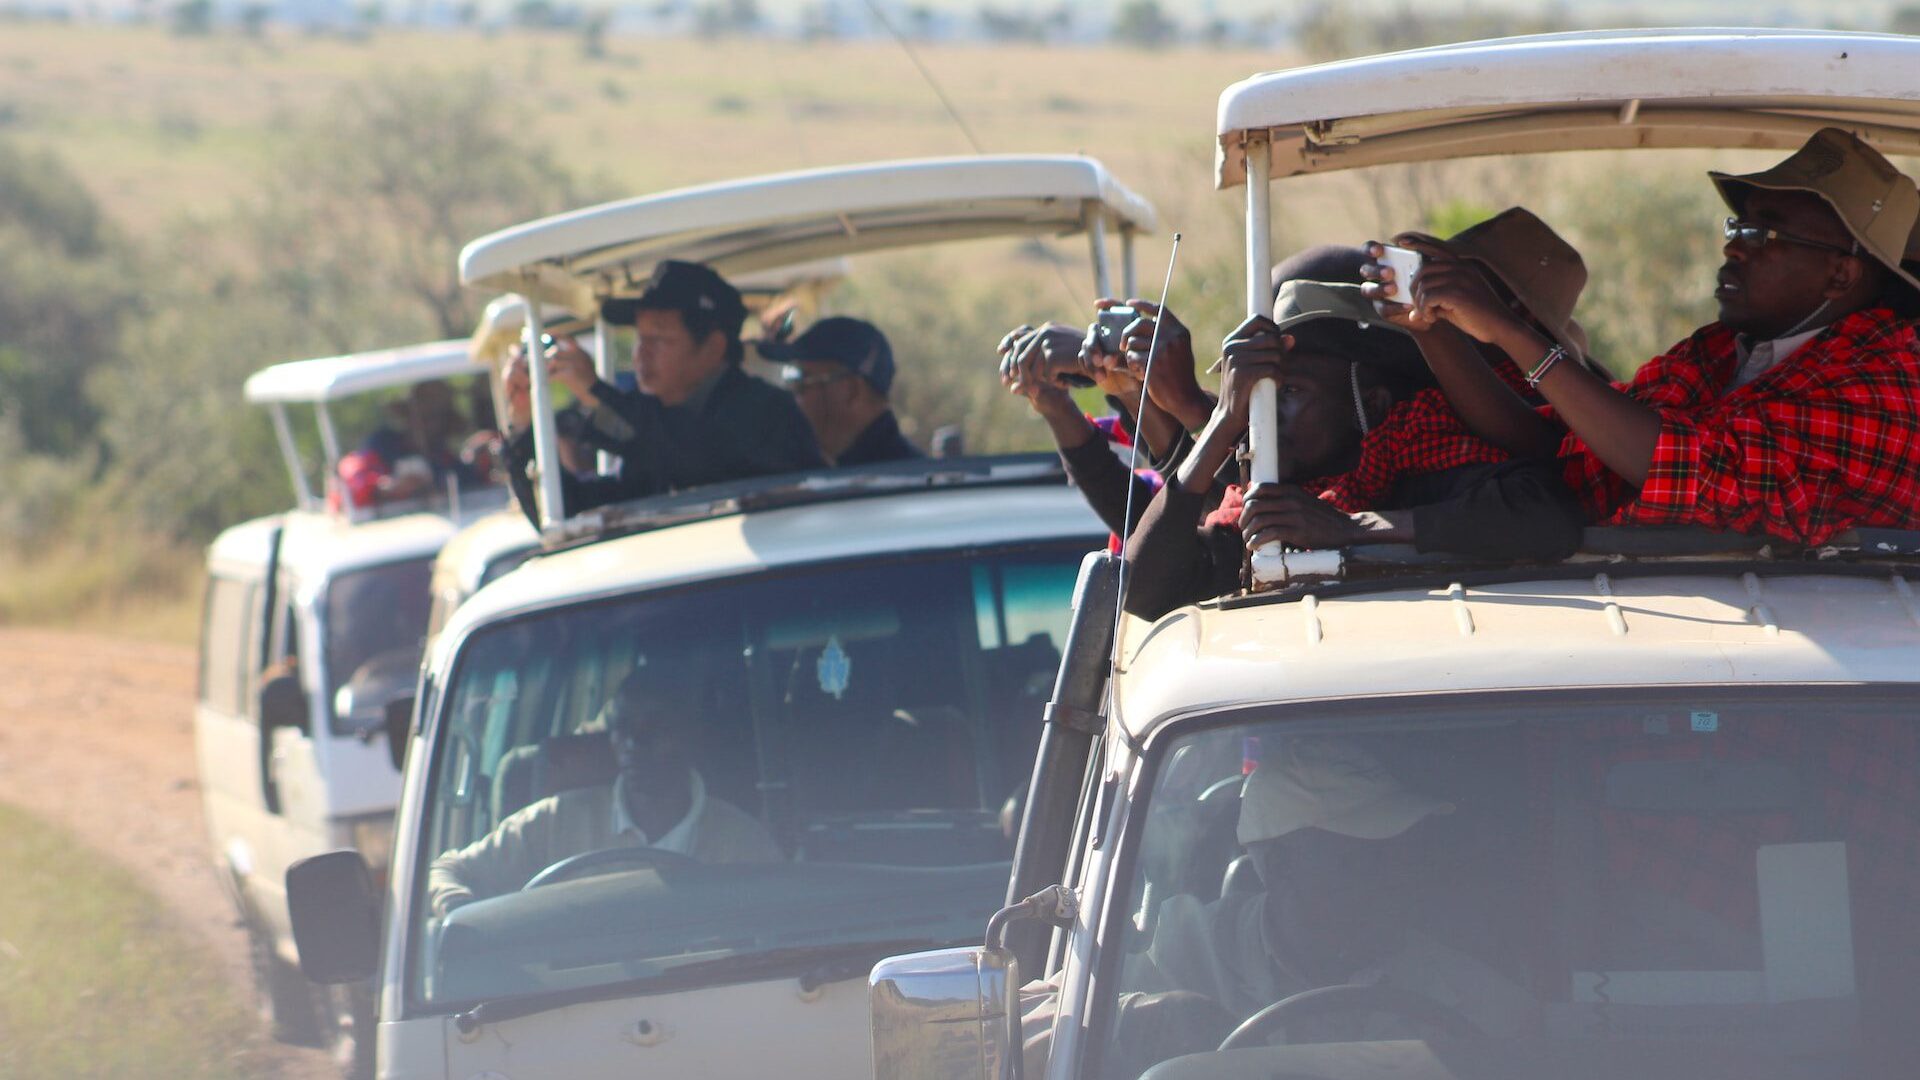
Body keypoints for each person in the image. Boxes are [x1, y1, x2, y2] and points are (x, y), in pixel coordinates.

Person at [1367, 128, 1920, 546]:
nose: (1733, 247)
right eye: (1737, 227)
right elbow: (1559, 444)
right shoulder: (1716, 352)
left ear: (1841, 274)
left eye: (1763, 233)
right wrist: (1431, 330)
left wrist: (1509, 331)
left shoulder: (1886, 386)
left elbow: (1687, 469)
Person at [1020, 738, 1537, 1076]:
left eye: (1397, 853)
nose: (1393, 878)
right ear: (1280, 865)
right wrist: (1134, 1017)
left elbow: (1544, 1052)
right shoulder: (1184, 946)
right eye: (1360, 858)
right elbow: (1015, 1026)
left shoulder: (1465, 992)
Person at [1124, 279, 1583, 619]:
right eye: (1257, 399)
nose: (1263, 417)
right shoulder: (1264, 507)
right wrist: (1225, 417)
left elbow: (1548, 514)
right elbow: (1141, 592)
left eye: (1290, 393)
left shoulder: (1421, 455)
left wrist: (1352, 529)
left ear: (1372, 403)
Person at [426, 664, 781, 916]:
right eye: (623, 728)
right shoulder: (557, 821)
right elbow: (447, 869)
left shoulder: (742, 843)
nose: (634, 743)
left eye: (655, 728)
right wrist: (461, 914)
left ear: (690, 735)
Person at [503, 259, 826, 525]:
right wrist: (524, 424)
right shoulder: (656, 421)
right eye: (640, 338)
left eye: (659, 339)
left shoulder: (764, 412)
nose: (641, 353)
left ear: (713, 348)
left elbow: (688, 452)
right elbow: (575, 510)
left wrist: (595, 393)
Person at [757, 316, 922, 465]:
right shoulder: (896, 471)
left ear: (851, 391)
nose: (794, 397)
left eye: (802, 383)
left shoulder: (885, 478)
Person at [337, 379, 476, 507]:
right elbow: (352, 479)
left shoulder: (446, 460)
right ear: (408, 413)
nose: (426, 422)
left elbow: (473, 488)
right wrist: (385, 488)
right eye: (422, 412)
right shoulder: (382, 443)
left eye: (435, 415)